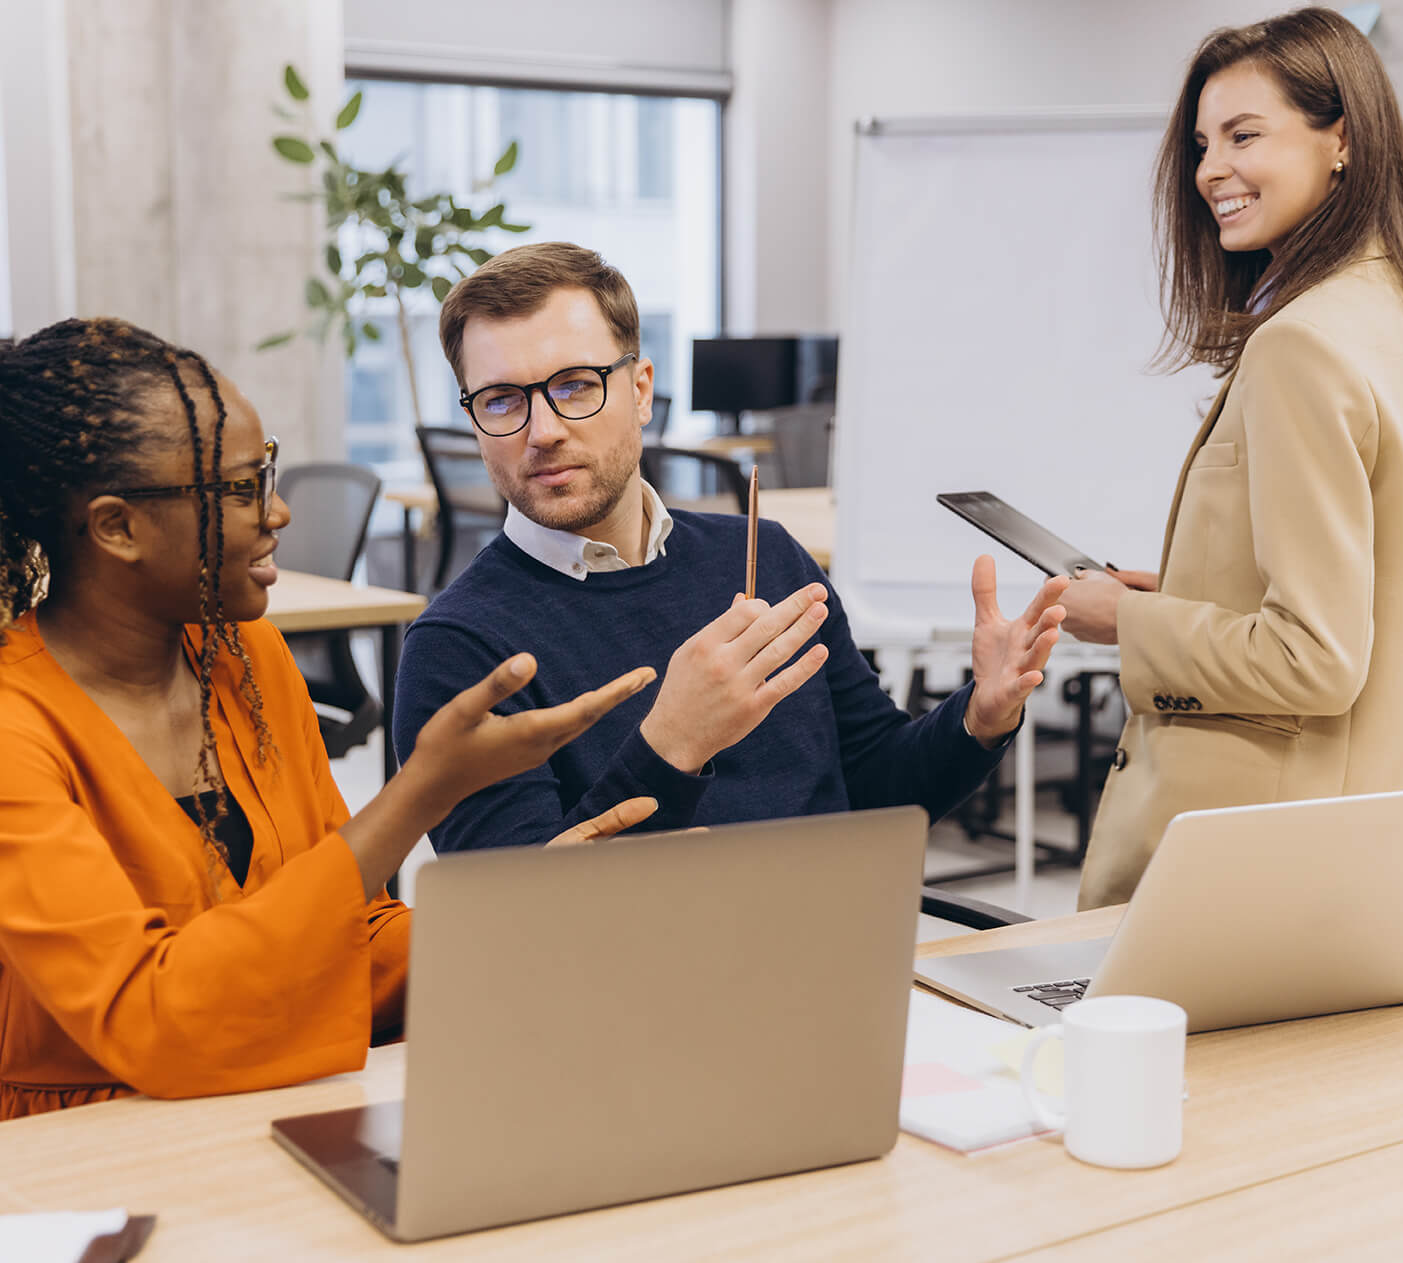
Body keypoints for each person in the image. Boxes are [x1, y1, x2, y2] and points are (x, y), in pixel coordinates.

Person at [0, 319, 656, 1127]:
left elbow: (344, 936)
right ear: (117, 526)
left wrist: (519, 920)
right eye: (237, 489)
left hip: (276, 1102)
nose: (279, 512)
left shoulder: (243, 658)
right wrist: (420, 793)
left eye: (263, 474)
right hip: (76, 1151)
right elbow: (151, 1020)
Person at [393, 243, 1066, 852]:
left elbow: (875, 788)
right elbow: (521, 926)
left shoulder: (765, 556)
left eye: (574, 385)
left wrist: (976, 717)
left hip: (834, 958)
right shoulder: (458, 650)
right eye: (503, 400)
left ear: (641, 389)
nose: (542, 430)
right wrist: (673, 742)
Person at [1058, 7, 1403, 908]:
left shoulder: (1303, 344)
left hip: (1259, 854)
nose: (1213, 169)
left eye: (1245, 135)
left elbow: (1315, 658)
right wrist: (1179, 602)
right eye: (1203, 143)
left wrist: (1127, 625)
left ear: (1343, 140)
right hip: (1378, 835)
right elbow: (1380, 611)